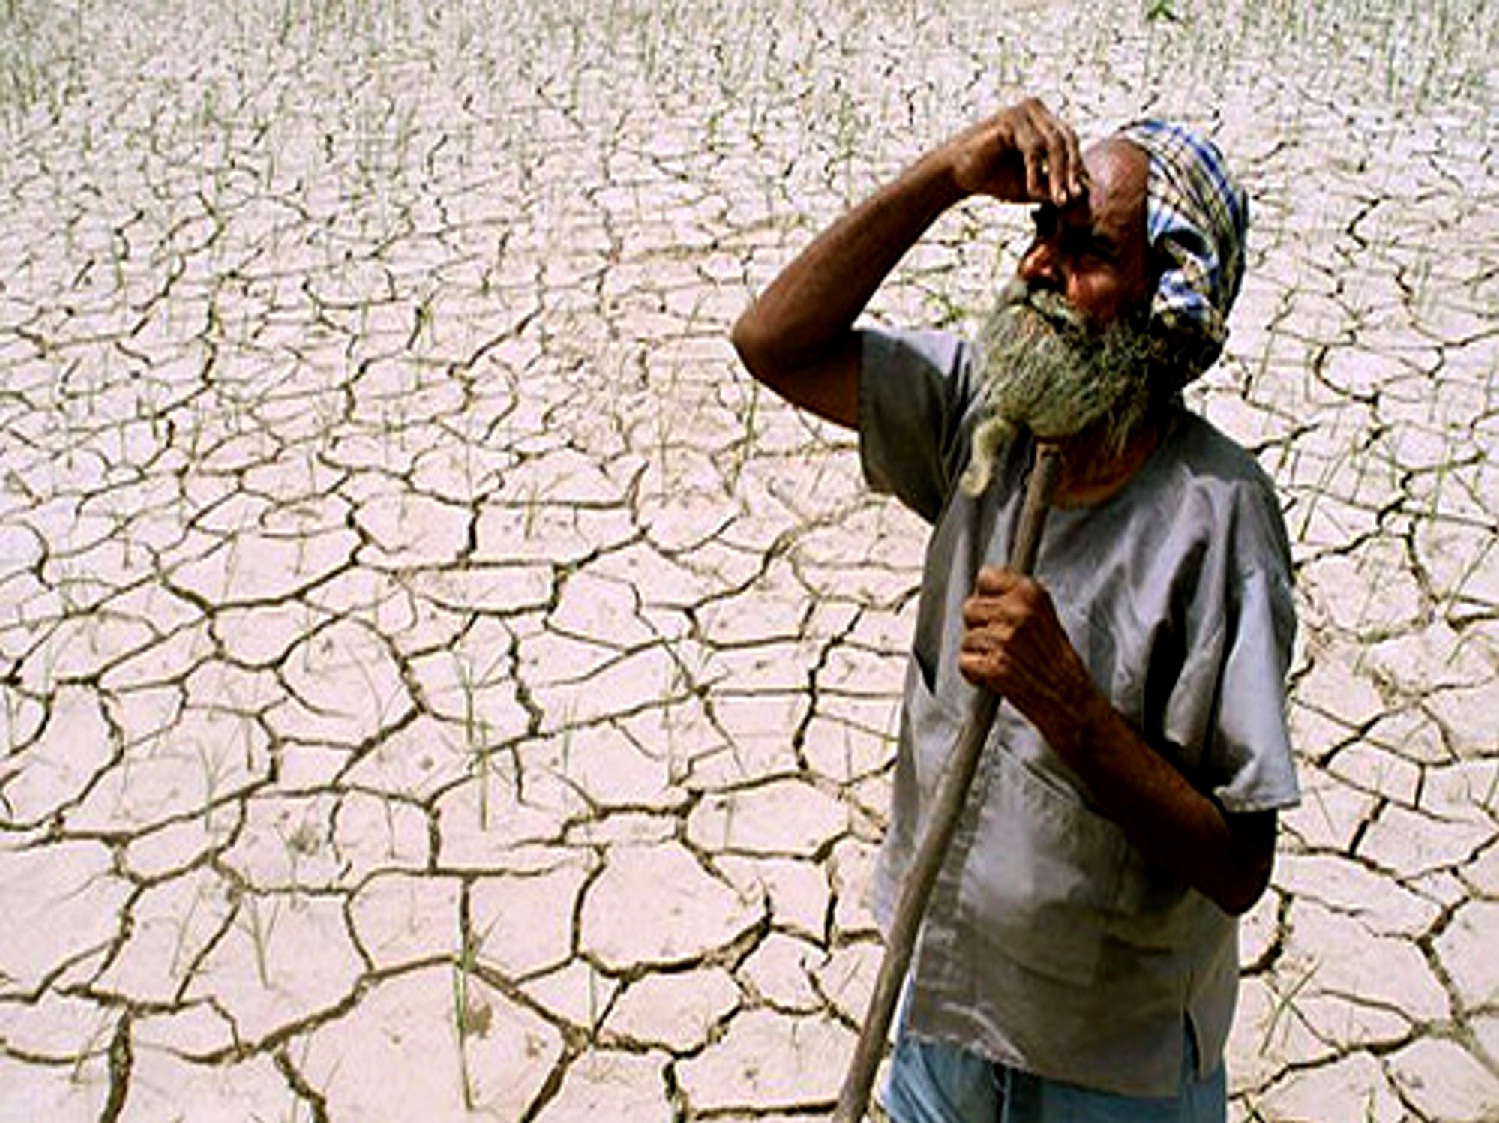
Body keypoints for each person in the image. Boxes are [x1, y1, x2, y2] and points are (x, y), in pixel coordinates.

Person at [731, 98, 1300, 1122]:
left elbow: (1236, 863)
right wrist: (944, 173)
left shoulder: (1216, 521)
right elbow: (772, 341)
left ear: (1164, 304)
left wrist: (1070, 709)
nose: (1037, 270)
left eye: (1082, 253)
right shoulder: (979, 410)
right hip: (936, 998)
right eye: (1040, 235)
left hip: (1102, 1068)